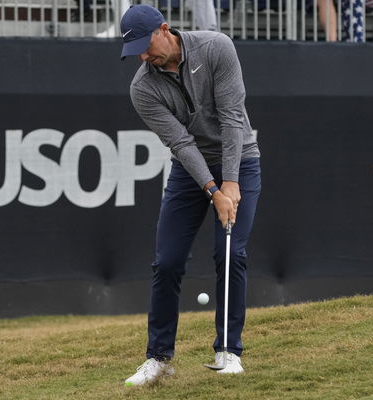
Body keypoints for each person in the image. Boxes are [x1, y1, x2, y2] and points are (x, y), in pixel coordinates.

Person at [118, 5, 261, 386]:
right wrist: (213, 189)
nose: (144, 58)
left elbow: (232, 117)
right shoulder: (142, 88)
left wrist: (229, 182)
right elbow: (181, 144)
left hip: (241, 162)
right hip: (189, 171)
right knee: (166, 262)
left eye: (146, 47)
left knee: (230, 253)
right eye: (135, 53)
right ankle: (159, 358)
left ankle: (228, 350)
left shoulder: (217, 47)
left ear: (165, 29)